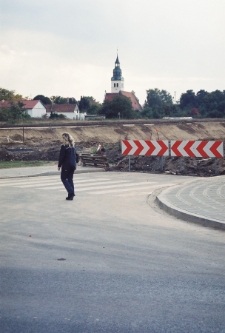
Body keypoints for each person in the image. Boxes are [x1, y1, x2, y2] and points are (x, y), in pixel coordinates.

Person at [58, 133, 76, 201]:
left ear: (65, 139)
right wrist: (75, 162)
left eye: (62, 138)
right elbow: (76, 155)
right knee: (70, 179)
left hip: (66, 165)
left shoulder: (64, 146)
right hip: (73, 165)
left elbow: (61, 157)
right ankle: (70, 196)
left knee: (63, 178)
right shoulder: (72, 146)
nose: (61, 139)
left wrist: (59, 165)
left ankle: (71, 192)